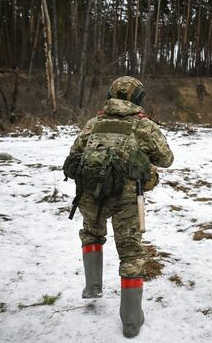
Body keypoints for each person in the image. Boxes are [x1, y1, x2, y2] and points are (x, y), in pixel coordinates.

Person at [64, 76, 174, 338]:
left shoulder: (94, 123)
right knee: (131, 255)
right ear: (138, 99)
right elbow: (167, 159)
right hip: (126, 199)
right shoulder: (143, 126)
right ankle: (131, 321)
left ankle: (92, 286)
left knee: (91, 235)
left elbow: (74, 153)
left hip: (91, 195)